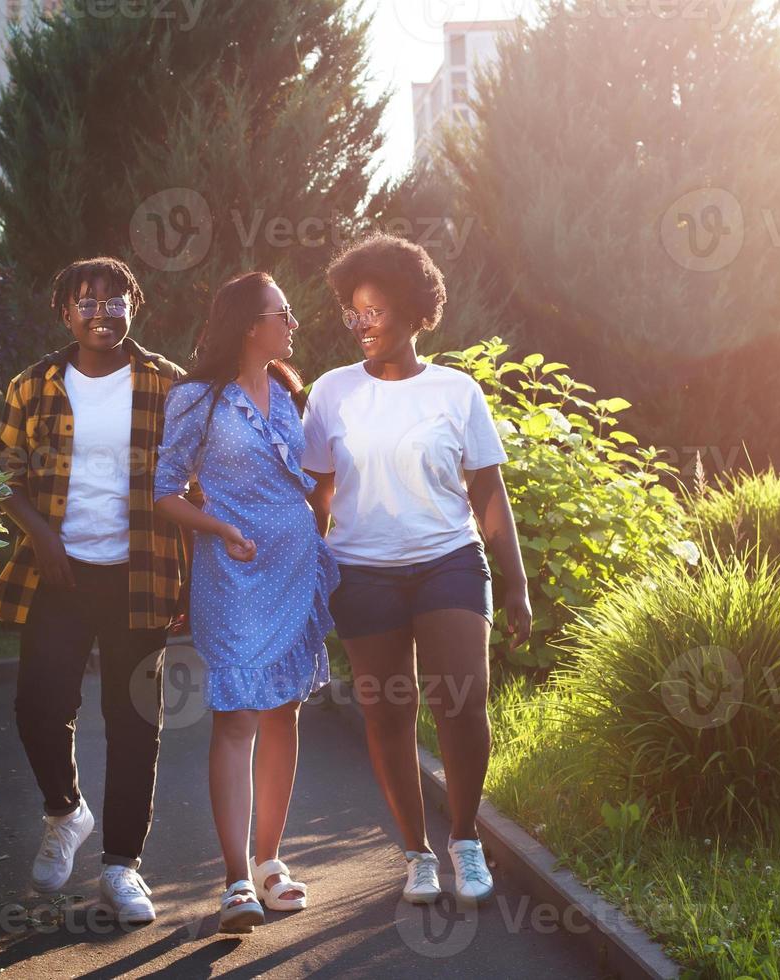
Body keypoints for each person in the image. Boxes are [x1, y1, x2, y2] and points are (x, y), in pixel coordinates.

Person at [300, 234, 531, 907]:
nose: (361, 324)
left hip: (449, 560)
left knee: (461, 701)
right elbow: (319, 497)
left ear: (411, 309)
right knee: (388, 715)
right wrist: (309, 583)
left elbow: (488, 492)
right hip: (362, 571)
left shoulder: (456, 391)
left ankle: (465, 838)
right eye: (352, 312)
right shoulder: (331, 392)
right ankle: (416, 853)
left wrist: (514, 584)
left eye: (373, 310)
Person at [0, 256, 187, 926]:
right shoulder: (33, 385)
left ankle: (122, 866)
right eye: (85, 301)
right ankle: (65, 811)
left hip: (142, 573)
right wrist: (40, 533)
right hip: (59, 574)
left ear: (135, 305)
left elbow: (190, 483)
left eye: (114, 299)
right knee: (38, 706)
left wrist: (196, 570)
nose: (102, 312)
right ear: (65, 313)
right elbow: (3, 474)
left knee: (136, 723)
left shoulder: (168, 384)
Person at [153, 272, 339, 934]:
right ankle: (234, 880)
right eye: (282, 312)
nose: (293, 323)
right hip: (231, 575)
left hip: (294, 569)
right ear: (248, 323)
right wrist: (220, 529)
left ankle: (269, 862)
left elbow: (311, 480)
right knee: (235, 718)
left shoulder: (291, 393)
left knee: (284, 712)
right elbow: (167, 491)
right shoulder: (195, 399)